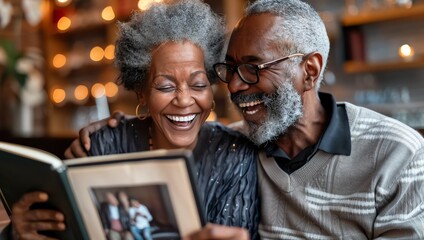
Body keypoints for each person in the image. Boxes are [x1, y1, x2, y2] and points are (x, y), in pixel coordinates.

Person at [69, 0, 424, 239]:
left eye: (253, 68)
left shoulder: (398, 154)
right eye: (231, 68)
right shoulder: (242, 142)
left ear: (310, 70)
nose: (237, 86)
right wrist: (115, 128)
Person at [1, 1, 259, 240]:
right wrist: (18, 232)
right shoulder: (102, 146)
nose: (183, 100)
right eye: (165, 87)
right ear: (142, 93)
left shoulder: (235, 155)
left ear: (210, 90)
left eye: (198, 84)